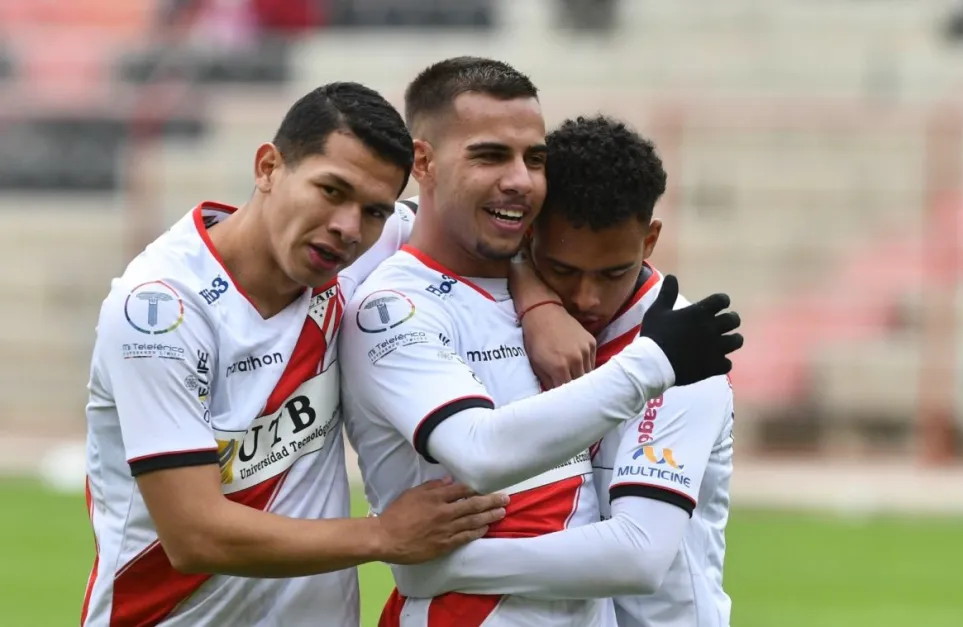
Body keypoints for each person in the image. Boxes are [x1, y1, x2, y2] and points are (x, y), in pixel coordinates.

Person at [80, 82, 512, 627]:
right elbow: (195, 536)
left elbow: (494, 230)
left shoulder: (370, 242)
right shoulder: (161, 310)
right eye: (331, 190)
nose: (349, 227)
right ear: (268, 167)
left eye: (374, 210)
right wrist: (383, 535)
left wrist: (543, 304)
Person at [339, 57, 742, 626]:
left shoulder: (678, 343)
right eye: (489, 155)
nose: (586, 300)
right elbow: (479, 449)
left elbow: (638, 554)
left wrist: (442, 566)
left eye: (533, 160)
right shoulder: (393, 303)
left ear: (649, 243)